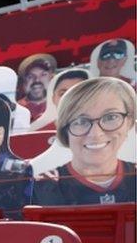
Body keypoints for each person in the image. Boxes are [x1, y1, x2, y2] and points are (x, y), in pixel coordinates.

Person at [33, 77, 136, 205]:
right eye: (81, 121)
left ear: (129, 122)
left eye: (111, 117)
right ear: (65, 130)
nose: (96, 134)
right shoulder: (39, 189)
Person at [30, 67, 90, 132]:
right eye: (63, 94)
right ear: (53, 99)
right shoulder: (39, 135)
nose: (70, 99)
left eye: (78, 93)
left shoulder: (101, 128)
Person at [17, 53, 56, 122]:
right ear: (23, 82)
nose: (37, 80)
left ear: (52, 77)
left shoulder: (62, 103)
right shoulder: (15, 110)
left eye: (43, 75)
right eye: (30, 76)